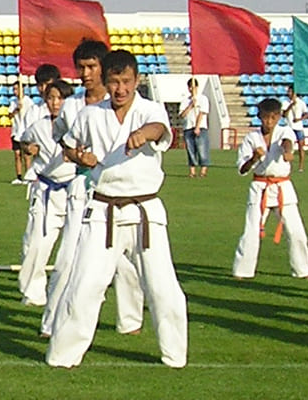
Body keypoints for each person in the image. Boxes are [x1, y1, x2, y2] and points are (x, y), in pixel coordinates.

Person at [48, 50, 187, 369]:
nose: (120, 89)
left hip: (144, 210)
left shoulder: (150, 110)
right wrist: (79, 157)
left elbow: (159, 130)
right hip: (103, 209)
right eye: (114, 82)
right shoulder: (90, 114)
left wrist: (143, 134)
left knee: (163, 287)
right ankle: (62, 355)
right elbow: (68, 144)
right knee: (85, 285)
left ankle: (175, 355)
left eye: (126, 82)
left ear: (137, 81)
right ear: (106, 81)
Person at [40, 39, 142, 339]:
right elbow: (63, 140)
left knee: (125, 261)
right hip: (82, 190)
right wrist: (76, 156)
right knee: (68, 259)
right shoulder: (72, 105)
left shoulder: (124, 103)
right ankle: (51, 322)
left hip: (122, 193)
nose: (85, 73)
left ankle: (130, 320)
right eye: (80, 67)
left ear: (104, 68)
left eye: (91, 67)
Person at [229, 98, 308, 280]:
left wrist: (287, 152)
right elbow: (242, 170)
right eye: (266, 118)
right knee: (251, 231)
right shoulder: (251, 138)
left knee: (296, 231)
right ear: (259, 117)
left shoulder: (285, 131)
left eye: (273, 118)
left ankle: (303, 270)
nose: (269, 122)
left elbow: (287, 142)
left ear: (279, 116)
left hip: (282, 186)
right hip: (260, 186)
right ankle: (242, 270)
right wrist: (254, 158)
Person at [18, 80, 75, 306]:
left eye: (60, 98)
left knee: (75, 248)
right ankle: (33, 292)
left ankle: (73, 289)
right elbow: (24, 141)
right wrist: (28, 149)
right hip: (46, 190)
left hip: (74, 190)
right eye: (51, 98)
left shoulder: (79, 124)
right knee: (36, 244)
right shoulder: (38, 126)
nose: (55, 103)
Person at [179, 79, 210, 177]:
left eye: (193, 87)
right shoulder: (185, 101)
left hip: (200, 127)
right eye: (190, 87)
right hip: (188, 127)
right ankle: (192, 171)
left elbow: (202, 113)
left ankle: (203, 170)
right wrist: (190, 106)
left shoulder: (203, 99)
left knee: (202, 149)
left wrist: (197, 127)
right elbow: (182, 115)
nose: (191, 89)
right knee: (190, 150)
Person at [286, 86, 308, 171]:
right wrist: (291, 105)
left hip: (299, 127)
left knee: (301, 147)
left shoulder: (301, 103)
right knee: (289, 147)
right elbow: (284, 114)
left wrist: (299, 119)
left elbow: (307, 114)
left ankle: (301, 166)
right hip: (289, 127)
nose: (288, 93)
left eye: (290, 91)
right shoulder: (285, 102)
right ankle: (289, 165)